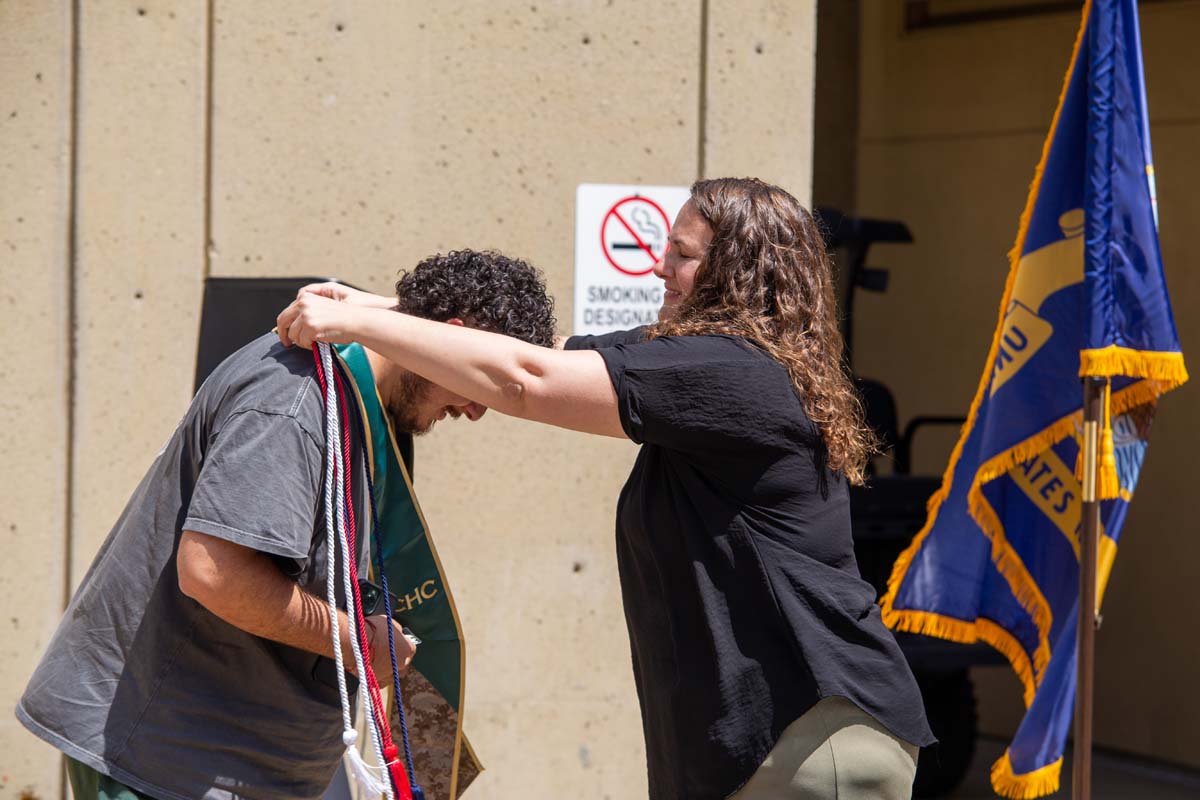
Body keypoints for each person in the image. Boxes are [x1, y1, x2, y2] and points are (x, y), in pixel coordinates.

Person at [277, 177, 936, 800]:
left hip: (813, 739)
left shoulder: (730, 374)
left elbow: (526, 380)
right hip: (777, 744)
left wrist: (355, 326)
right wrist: (363, 304)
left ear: (737, 272)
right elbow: (541, 348)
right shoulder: (703, 361)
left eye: (680, 254)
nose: (658, 267)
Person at [17, 250, 557, 800]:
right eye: (486, 386)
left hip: (232, 759)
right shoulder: (296, 400)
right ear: (452, 338)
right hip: (169, 762)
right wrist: (358, 642)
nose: (478, 411)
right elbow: (213, 573)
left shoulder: (359, 396)